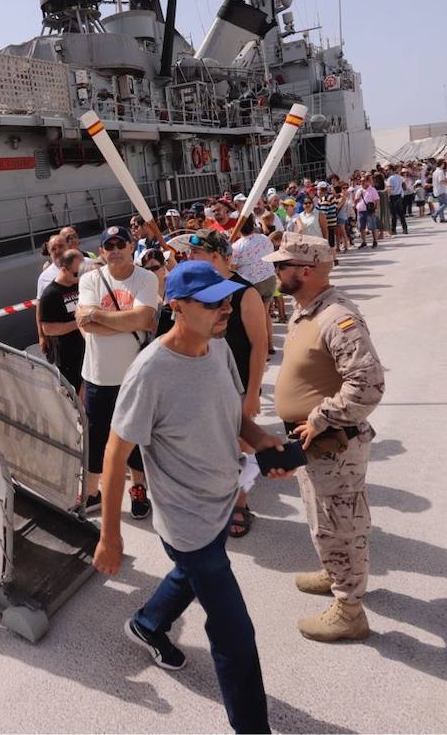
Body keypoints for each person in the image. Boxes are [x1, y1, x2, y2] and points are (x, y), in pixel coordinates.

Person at [93, 260, 293, 735]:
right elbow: (115, 456)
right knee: (235, 635)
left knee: (191, 576)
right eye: (212, 302)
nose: (225, 308)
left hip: (223, 499)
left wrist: (262, 441)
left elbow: (230, 415)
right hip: (186, 522)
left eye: (226, 298)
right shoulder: (151, 373)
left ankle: (148, 623)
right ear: (177, 308)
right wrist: (110, 536)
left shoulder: (218, 348)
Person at [263, 234, 385, 642]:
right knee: (323, 520)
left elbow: (367, 385)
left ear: (307, 271)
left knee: (342, 524)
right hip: (312, 443)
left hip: (334, 443)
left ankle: (349, 611)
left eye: (282, 265)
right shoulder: (304, 312)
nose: (275, 271)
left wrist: (320, 416)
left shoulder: (336, 318)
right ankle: (334, 572)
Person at [182, 230, 269, 538]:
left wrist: (254, 393)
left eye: (196, 254)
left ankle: (240, 504)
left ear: (215, 256)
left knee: (240, 447)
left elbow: (260, 346)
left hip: (239, 384)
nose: (189, 259)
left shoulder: (246, 293)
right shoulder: (197, 291)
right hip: (204, 382)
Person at [76, 224, 158, 516]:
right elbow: (87, 325)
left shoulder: (146, 278)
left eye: (119, 244)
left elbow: (143, 317)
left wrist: (97, 316)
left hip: (135, 375)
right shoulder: (90, 279)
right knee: (96, 437)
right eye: (108, 247)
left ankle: (138, 489)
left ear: (131, 246)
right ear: (101, 251)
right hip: (98, 375)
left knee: (135, 437)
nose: (114, 251)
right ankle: (91, 492)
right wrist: (129, 321)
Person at [37, 248, 86, 394]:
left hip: (85, 348)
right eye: (77, 274)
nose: (80, 277)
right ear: (64, 270)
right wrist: (79, 322)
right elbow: (48, 329)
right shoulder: (50, 295)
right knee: (74, 393)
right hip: (67, 354)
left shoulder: (79, 284)